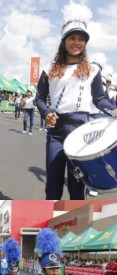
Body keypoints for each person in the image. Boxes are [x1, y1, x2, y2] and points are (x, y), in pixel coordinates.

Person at [35, 2, 117, 200]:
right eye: (72, 38)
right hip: (55, 132)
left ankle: (76, 227)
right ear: (64, 41)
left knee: (76, 187)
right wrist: (46, 113)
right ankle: (51, 225)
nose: (77, 42)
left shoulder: (93, 70)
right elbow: (39, 98)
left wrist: (114, 110)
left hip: (81, 132)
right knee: (53, 185)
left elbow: (99, 99)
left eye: (81, 39)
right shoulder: (49, 70)